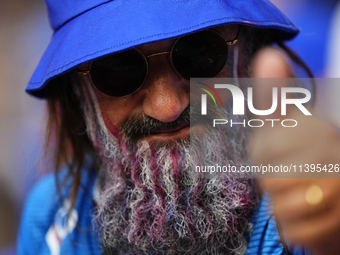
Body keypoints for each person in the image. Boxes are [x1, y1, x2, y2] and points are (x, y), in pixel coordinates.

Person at [17, 0, 340, 254]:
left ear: (247, 55)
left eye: (200, 53)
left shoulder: (298, 186)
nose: (168, 108)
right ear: (78, 94)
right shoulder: (52, 216)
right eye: (117, 70)